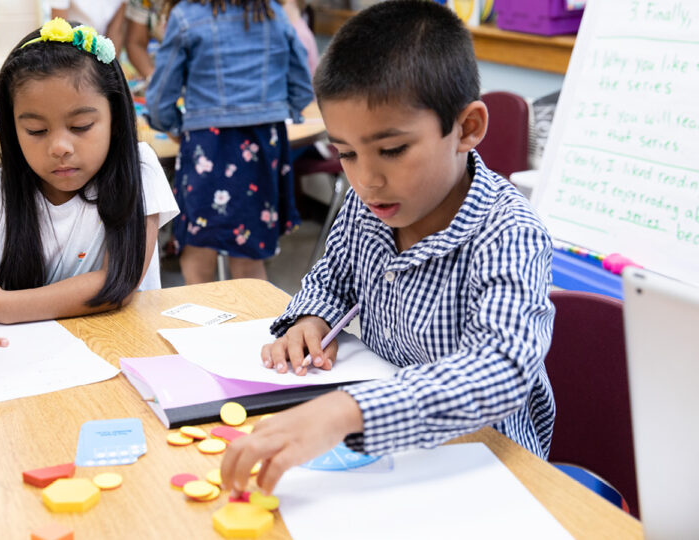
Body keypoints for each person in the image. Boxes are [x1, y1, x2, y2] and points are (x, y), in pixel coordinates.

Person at [221, 0, 556, 496]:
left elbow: (500, 367)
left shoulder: (508, 231)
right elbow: (333, 274)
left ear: (467, 128)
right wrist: (309, 320)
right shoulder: (372, 206)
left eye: (393, 150)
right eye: (347, 154)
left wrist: (348, 411)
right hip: (387, 455)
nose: (367, 179)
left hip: (482, 466)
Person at [0, 19, 179, 373]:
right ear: (12, 126)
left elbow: (118, 283)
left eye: (81, 127)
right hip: (22, 372)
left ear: (115, 116)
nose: (60, 148)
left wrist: (5, 306)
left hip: (123, 358)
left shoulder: (139, 170)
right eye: (35, 130)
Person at [145, 0, 313, 283]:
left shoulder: (186, 16)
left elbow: (160, 99)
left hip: (206, 145)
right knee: (250, 256)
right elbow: (302, 88)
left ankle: (201, 326)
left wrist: (174, 125)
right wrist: (273, 112)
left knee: (197, 250)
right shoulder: (273, 13)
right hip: (262, 145)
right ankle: (253, 325)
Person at [47, 0, 127, 53]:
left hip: (100, 50)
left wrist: (111, 67)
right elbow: (60, 27)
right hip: (71, 48)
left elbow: (116, 30)